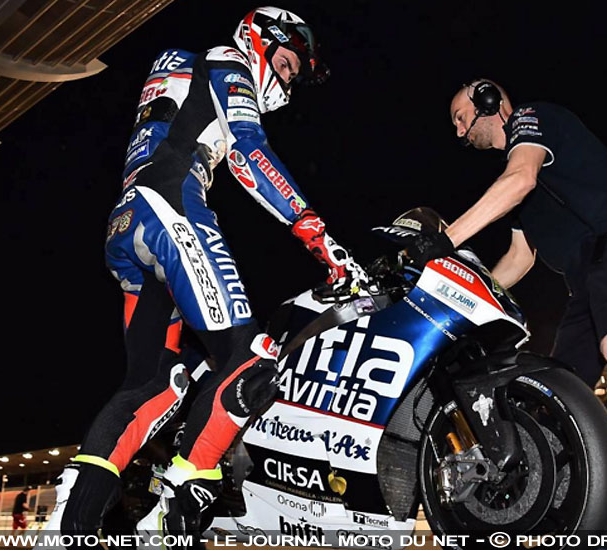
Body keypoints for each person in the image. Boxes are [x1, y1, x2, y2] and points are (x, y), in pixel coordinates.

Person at [45, 5, 367, 542]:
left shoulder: (186, 66)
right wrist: (318, 236)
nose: (288, 80)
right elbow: (247, 152)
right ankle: (175, 511)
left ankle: (69, 524)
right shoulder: (227, 60)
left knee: (154, 384)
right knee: (250, 358)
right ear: (260, 38)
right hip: (170, 205)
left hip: (127, 221)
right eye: (286, 63)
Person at [400, 78, 607, 388]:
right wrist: (462, 297)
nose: (460, 131)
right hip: (584, 282)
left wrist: (446, 240)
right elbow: (519, 257)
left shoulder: (532, 117)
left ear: (487, 99)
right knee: (562, 387)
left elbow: (520, 179)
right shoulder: (517, 182)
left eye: (460, 118)